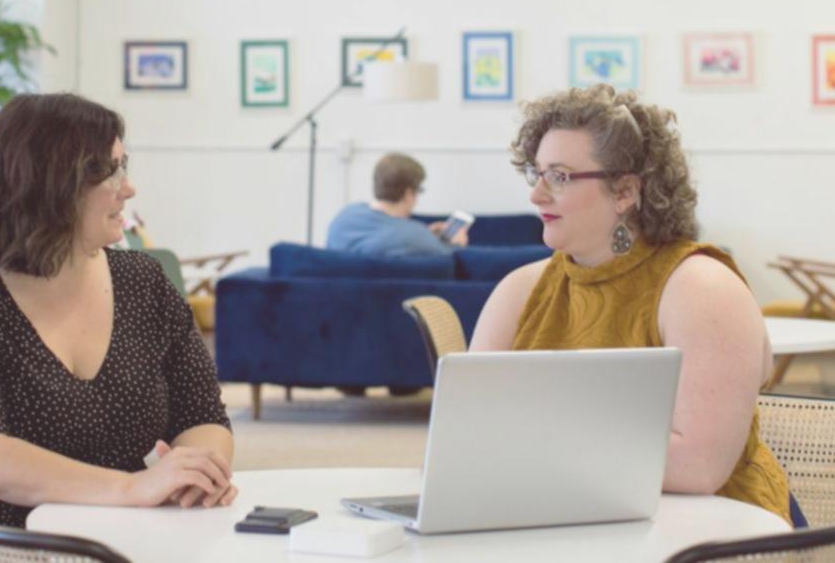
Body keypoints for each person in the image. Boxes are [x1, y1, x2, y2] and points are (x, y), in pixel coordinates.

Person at [0, 94, 236, 563]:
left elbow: (203, 415)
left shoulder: (144, 282)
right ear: (50, 186)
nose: (129, 188)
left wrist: (196, 472)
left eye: (125, 166)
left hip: (100, 532)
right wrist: (134, 488)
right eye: (109, 171)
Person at [470, 85, 794, 525]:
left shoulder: (702, 288)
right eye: (536, 173)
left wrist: (528, 448)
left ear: (624, 191)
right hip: (562, 518)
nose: (536, 195)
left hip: (711, 530)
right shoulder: (518, 291)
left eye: (560, 176)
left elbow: (699, 467)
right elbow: (468, 438)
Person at [326, 152, 469, 257]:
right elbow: (447, 258)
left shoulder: (344, 216)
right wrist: (458, 245)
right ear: (408, 194)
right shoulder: (415, 237)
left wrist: (426, 234)